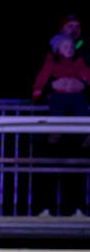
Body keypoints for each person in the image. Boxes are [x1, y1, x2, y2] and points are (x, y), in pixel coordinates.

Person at [31, 33, 90, 216]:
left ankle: (76, 208)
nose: (69, 49)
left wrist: (82, 85)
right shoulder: (50, 62)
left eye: (71, 46)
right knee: (48, 168)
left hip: (74, 131)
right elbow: (40, 83)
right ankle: (44, 208)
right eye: (65, 46)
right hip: (51, 128)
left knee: (75, 168)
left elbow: (87, 76)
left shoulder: (80, 62)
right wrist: (46, 89)